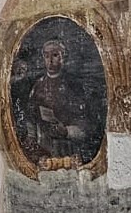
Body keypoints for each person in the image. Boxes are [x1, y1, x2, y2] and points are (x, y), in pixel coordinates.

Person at [22, 39, 95, 168]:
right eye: (46, 56)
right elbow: (31, 116)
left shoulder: (74, 86)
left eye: (55, 55)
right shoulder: (38, 86)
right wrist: (31, 137)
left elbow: (86, 125)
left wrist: (67, 131)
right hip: (44, 150)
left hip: (69, 150)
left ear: (63, 57)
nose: (50, 61)